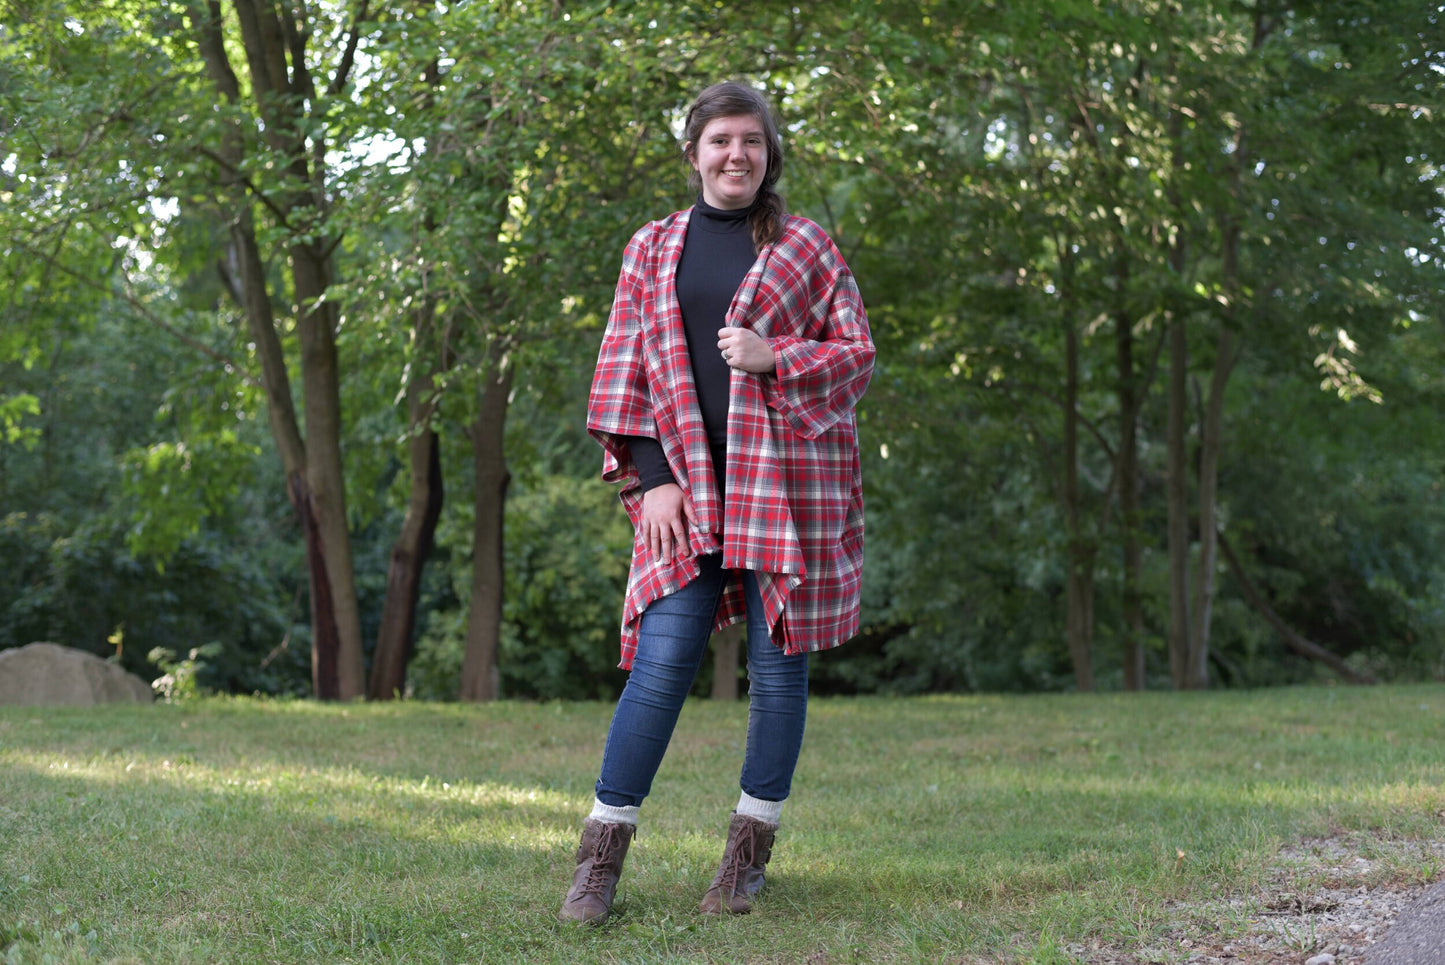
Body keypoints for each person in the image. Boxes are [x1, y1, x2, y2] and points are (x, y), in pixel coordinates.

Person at [560, 80, 875, 925]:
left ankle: (744, 862)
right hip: (685, 495)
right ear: (694, 150)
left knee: (778, 677)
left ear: (769, 155)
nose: (736, 154)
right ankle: (599, 860)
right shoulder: (653, 246)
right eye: (720, 140)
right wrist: (652, 476)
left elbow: (856, 355)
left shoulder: (808, 247)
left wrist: (778, 357)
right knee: (658, 667)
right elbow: (625, 369)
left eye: (752, 142)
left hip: (786, 497)